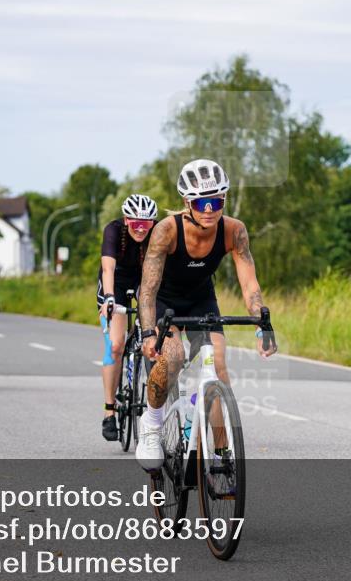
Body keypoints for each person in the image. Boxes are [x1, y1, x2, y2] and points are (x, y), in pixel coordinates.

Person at [135, 158, 278, 471]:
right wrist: (148, 332)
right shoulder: (166, 231)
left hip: (201, 300)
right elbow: (147, 289)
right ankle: (152, 423)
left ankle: (222, 452)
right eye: (202, 202)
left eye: (217, 200)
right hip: (164, 302)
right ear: (187, 203)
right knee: (171, 357)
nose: (210, 209)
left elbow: (249, 283)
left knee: (218, 367)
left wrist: (262, 325)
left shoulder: (234, 231)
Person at [97, 194, 158, 441]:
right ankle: (110, 411)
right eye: (135, 223)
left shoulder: (157, 232)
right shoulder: (113, 231)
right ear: (126, 220)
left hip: (144, 280)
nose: (141, 229)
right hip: (117, 283)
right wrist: (110, 297)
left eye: (146, 224)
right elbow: (108, 268)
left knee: (152, 338)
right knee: (116, 345)